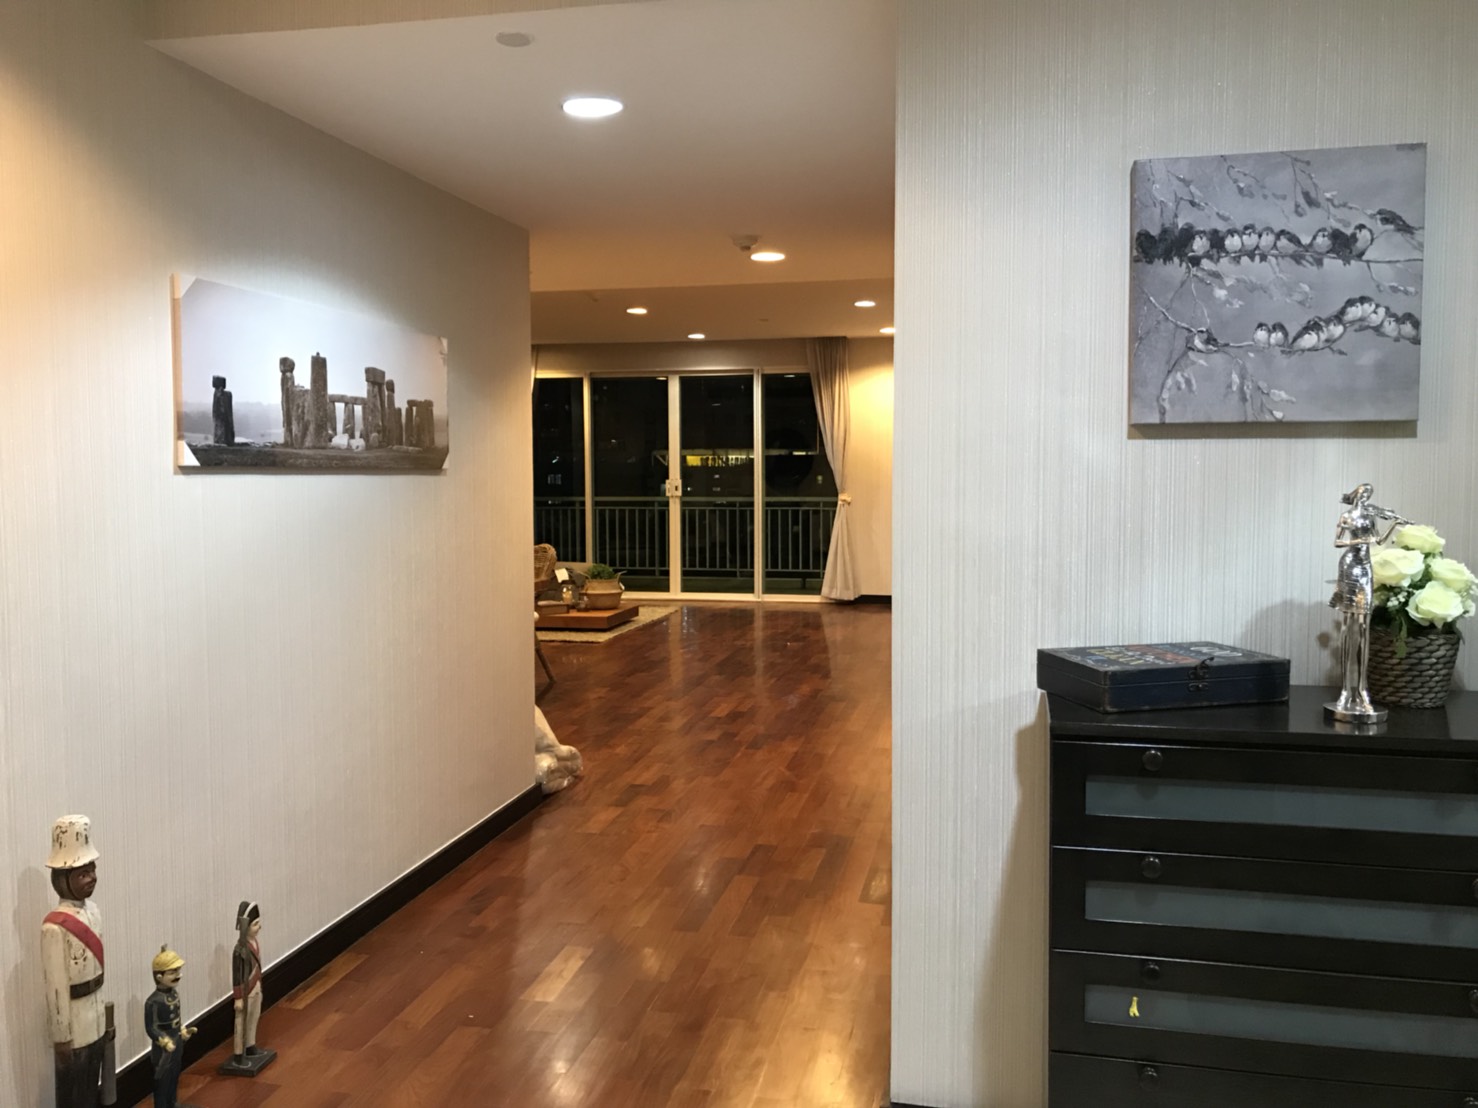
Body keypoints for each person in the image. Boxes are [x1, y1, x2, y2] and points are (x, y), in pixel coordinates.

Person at [41, 814, 113, 1108]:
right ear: (62, 879)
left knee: (92, 1085)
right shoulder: (54, 928)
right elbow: (56, 989)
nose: (91, 878)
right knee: (74, 1093)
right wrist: (61, 1036)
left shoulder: (94, 912)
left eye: (92, 870)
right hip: (74, 1023)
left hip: (94, 1016)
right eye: (82, 874)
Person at [1327, 483, 1406, 721]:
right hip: (1349, 566)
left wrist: (1394, 524)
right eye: (1362, 493)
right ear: (1356, 494)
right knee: (1347, 625)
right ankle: (1345, 691)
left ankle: (1362, 690)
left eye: (1368, 494)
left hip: (1365, 568)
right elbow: (1337, 542)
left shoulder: (1371, 516)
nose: (1365, 497)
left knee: (1363, 626)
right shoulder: (1347, 516)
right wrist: (1359, 542)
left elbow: (1379, 541)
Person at [221, 900, 275, 1075]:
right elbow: (237, 975)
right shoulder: (240, 950)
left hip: (256, 987)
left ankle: (250, 1045)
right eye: (255, 924)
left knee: (254, 1017)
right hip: (245, 991)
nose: (259, 927)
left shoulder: (254, 943)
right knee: (241, 1022)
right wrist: (237, 997)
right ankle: (239, 1054)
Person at [144, 947, 197, 1108]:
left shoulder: (174, 995)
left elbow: (176, 1019)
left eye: (178, 971)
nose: (178, 975)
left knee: (174, 1074)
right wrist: (164, 1041)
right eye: (172, 972)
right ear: (159, 976)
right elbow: (151, 1027)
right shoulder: (153, 1001)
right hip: (163, 1049)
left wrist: (182, 1031)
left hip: (177, 1041)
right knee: (162, 1080)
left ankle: (172, 1103)